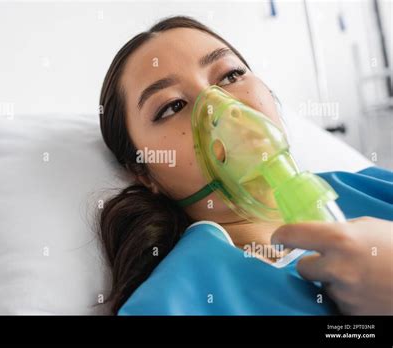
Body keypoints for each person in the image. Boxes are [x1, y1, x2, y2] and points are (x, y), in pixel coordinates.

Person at [98, 15, 393, 315]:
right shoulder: (173, 304)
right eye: (173, 106)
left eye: (230, 76)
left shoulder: (374, 188)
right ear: (144, 173)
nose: (224, 109)